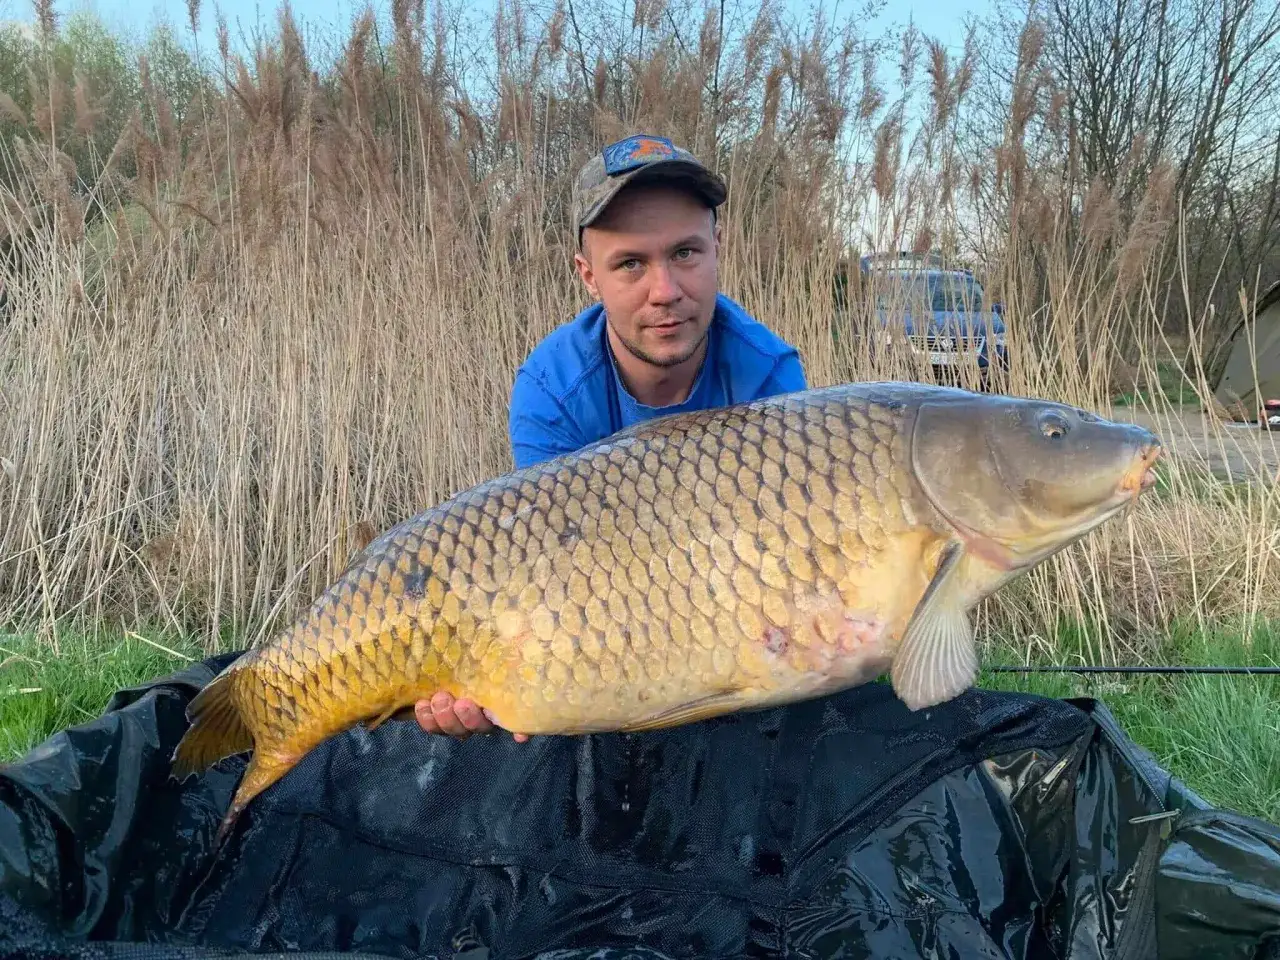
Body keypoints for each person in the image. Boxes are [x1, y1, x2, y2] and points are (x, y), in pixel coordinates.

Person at [410, 134, 808, 741]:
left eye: (685, 254)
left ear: (718, 250)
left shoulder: (770, 374)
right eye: (630, 264)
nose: (665, 290)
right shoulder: (553, 390)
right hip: (601, 622)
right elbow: (554, 575)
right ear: (587, 276)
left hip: (731, 623)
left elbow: (777, 571)